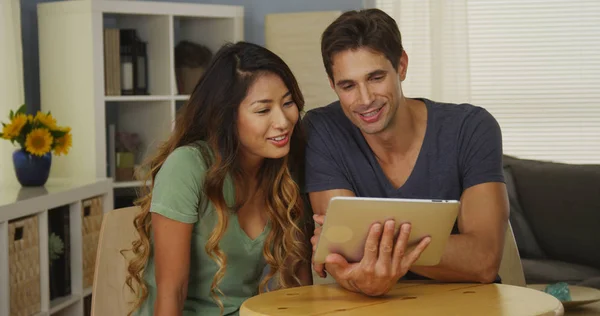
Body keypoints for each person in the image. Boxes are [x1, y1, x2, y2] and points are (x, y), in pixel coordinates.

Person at [304, 9, 509, 296]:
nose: (364, 100)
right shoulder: (322, 129)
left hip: (466, 305)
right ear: (332, 84)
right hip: (368, 309)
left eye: (375, 77)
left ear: (401, 66)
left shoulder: (471, 128)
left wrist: (365, 241)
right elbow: (339, 255)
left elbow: (483, 261)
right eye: (348, 85)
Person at [124, 41, 313, 316]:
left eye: (288, 103)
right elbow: (171, 291)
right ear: (226, 116)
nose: (283, 121)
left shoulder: (284, 167)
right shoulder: (187, 166)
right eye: (263, 110)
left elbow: (298, 285)